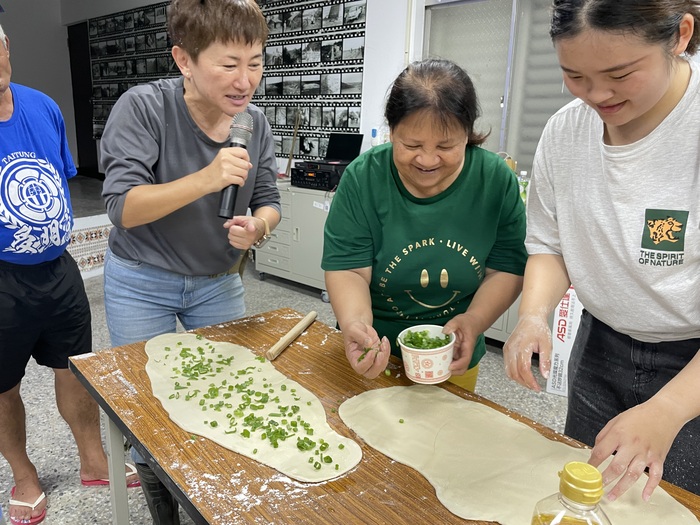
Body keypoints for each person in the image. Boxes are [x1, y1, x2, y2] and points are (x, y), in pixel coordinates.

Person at [503, 0, 700, 502]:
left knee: (669, 504)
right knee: (588, 488)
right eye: (575, 75)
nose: (596, 95)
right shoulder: (566, 130)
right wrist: (532, 315)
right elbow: (549, 243)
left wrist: (667, 410)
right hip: (601, 344)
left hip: (691, 361)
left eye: (619, 74)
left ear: (679, 36)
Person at [100, 0, 280, 523]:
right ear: (184, 59)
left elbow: (268, 197)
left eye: (256, 61)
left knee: (230, 390)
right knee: (149, 403)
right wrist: (208, 176)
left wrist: (258, 227)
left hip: (218, 279)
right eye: (229, 64)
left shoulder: (256, 122)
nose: (245, 80)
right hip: (141, 279)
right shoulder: (144, 108)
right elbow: (123, 208)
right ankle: (162, 505)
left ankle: (216, 495)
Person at [0, 23, 138, 525]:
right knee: (3, 387)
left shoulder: (42, 106)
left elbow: (57, 179)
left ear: (6, 46)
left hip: (59, 270)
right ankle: (23, 475)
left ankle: (93, 457)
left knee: (76, 367)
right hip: (1, 283)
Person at [322, 58, 528, 391]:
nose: (428, 160)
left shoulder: (494, 180)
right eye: (412, 145)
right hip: (375, 349)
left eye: (446, 146)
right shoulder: (363, 177)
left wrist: (473, 323)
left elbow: (506, 269)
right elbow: (349, 270)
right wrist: (356, 326)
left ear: (468, 134)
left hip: (454, 351)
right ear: (391, 132)